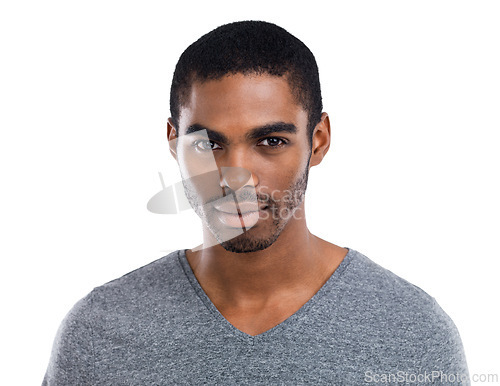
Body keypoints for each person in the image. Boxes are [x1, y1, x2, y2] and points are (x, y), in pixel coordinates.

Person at [42, 20, 470, 385]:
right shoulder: (100, 331)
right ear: (174, 143)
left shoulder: (411, 333)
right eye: (209, 143)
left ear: (317, 141)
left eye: (271, 141)